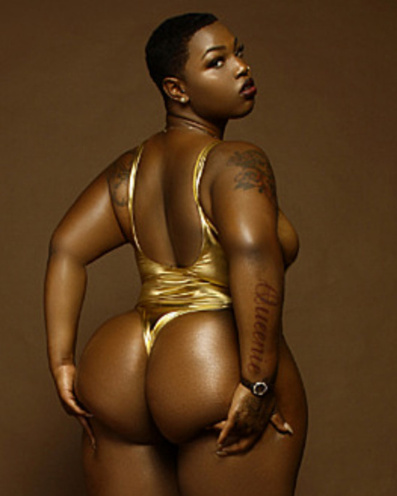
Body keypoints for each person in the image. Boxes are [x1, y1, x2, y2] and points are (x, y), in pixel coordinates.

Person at [44, 13, 307, 496]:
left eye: (239, 52)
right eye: (217, 62)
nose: (241, 68)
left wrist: (63, 362)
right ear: (176, 89)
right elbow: (253, 253)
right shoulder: (236, 162)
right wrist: (257, 382)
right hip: (208, 362)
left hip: (120, 364)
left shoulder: (130, 170)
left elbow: (65, 247)